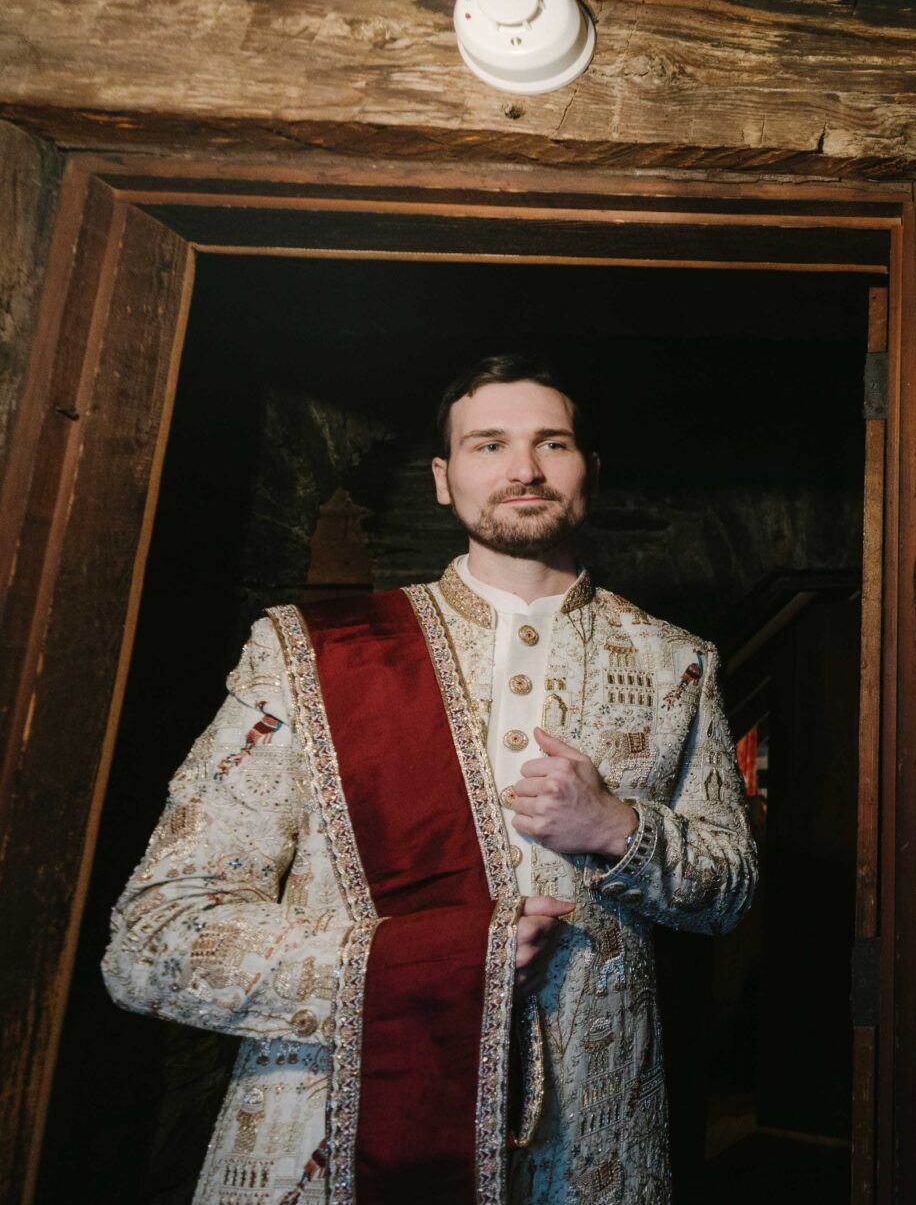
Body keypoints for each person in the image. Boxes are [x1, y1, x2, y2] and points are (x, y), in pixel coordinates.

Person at [103, 355, 757, 1200]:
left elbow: (731, 892)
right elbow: (152, 942)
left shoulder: (678, 664)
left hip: (589, 1148)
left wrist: (618, 829)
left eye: (550, 442)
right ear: (445, 481)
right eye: (490, 444)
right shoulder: (309, 654)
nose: (523, 469)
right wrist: (429, 961)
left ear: (590, 472)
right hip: (331, 1132)